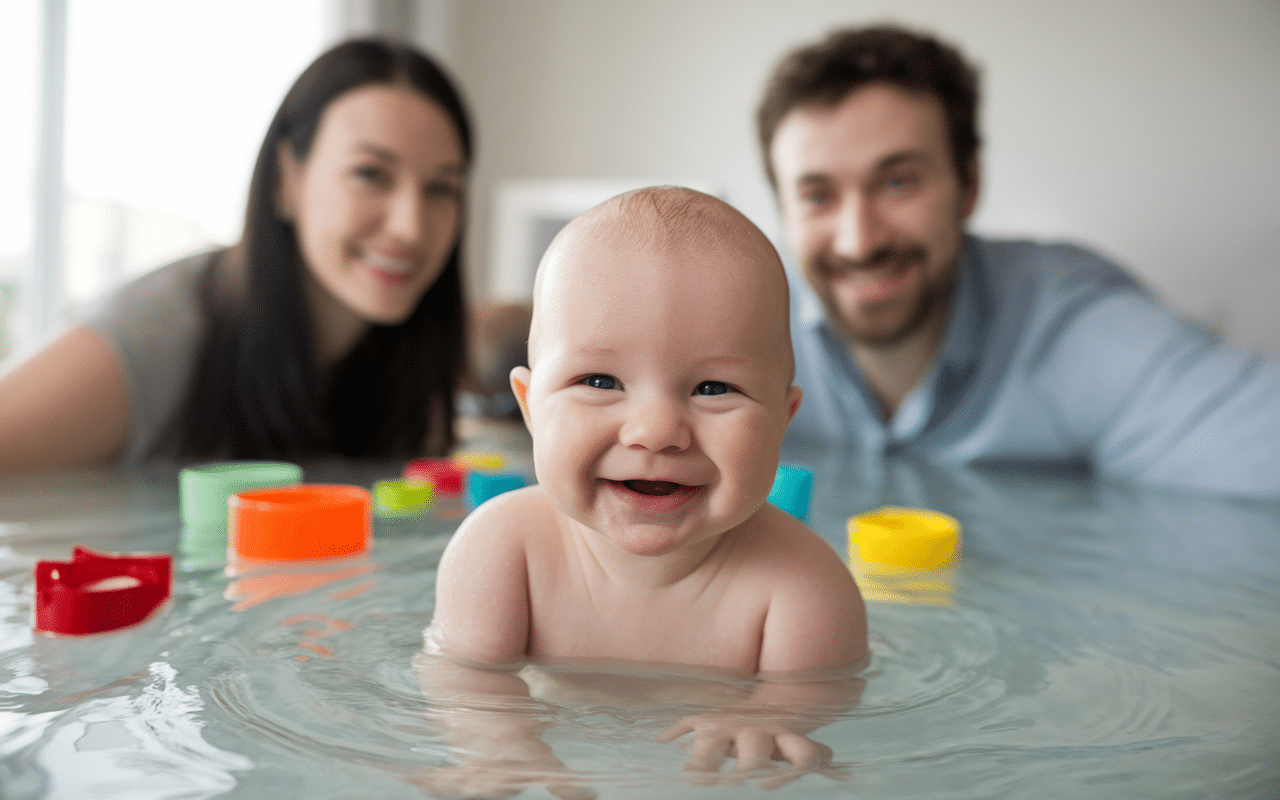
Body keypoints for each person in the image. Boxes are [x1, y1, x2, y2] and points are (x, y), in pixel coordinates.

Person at [416, 187, 867, 792]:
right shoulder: (502, 550)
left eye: (713, 388)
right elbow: (462, 680)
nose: (656, 430)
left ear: (783, 420)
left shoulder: (802, 586)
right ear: (530, 409)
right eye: (599, 380)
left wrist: (767, 717)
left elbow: (819, 699)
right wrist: (506, 746)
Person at [758, 25, 1280, 499]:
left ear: (970, 185)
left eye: (898, 183)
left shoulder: (1074, 331)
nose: (858, 242)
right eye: (816, 196)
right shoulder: (744, 317)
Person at [0, 38, 473, 471]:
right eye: (370, 174)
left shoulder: (412, 356)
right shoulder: (157, 337)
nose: (411, 227)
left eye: (441, 188)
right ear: (287, 180)